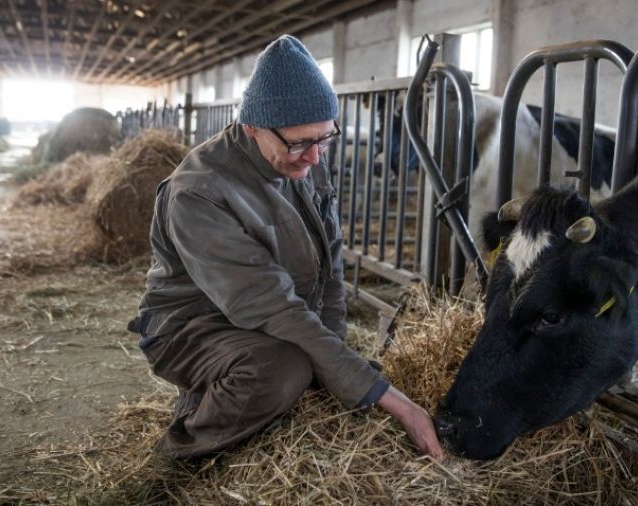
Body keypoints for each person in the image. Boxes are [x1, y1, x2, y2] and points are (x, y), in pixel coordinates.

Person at [130, 34, 443, 461]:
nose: (314, 157)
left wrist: (337, 371)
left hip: (266, 314)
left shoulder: (305, 160)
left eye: (324, 139)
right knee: (280, 370)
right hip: (192, 325)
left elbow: (330, 267)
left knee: (314, 366)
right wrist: (388, 398)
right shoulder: (199, 191)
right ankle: (177, 454)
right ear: (252, 127)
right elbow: (268, 304)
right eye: (298, 143)